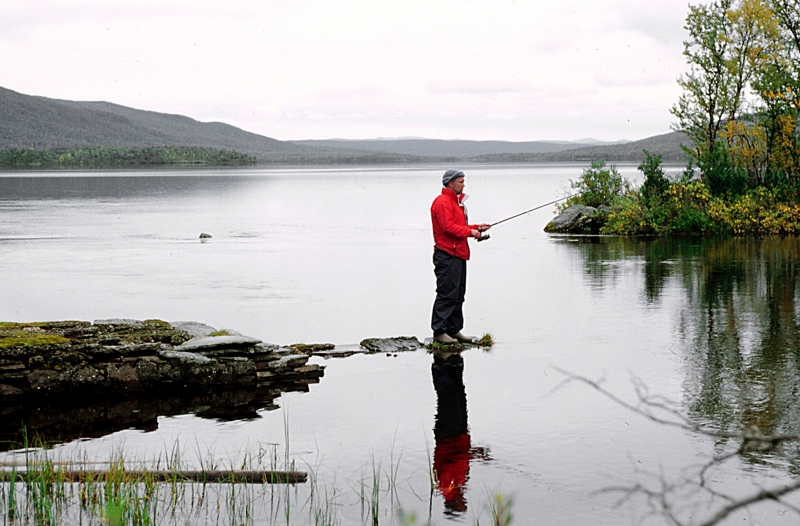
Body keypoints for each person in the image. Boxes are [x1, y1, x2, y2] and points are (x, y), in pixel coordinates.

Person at [430, 169, 490, 344]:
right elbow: (448, 227)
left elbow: (457, 225)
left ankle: (453, 330)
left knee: (458, 294)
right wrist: (471, 232)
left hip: (459, 254)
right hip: (447, 254)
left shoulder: (455, 202)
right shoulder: (442, 202)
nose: (464, 185)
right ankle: (439, 332)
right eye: (461, 182)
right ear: (450, 183)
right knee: (447, 294)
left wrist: (477, 227)